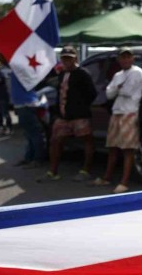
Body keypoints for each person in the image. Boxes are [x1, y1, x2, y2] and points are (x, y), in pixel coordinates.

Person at [37, 45, 97, 183]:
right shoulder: (62, 74)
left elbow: (92, 93)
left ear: (75, 59)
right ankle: (52, 172)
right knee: (55, 141)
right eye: (64, 58)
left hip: (80, 115)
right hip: (63, 116)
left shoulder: (83, 73)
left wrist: (80, 106)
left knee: (87, 140)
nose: (67, 61)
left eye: (69, 58)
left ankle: (85, 170)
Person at [89, 47, 142, 194]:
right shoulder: (118, 74)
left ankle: (124, 182)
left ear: (133, 58)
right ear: (119, 59)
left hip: (129, 113)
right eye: (122, 57)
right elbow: (109, 94)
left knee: (127, 149)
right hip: (117, 112)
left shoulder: (137, 72)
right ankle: (107, 177)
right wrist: (118, 88)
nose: (125, 60)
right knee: (112, 146)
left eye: (128, 57)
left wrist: (117, 88)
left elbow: (127, 91)